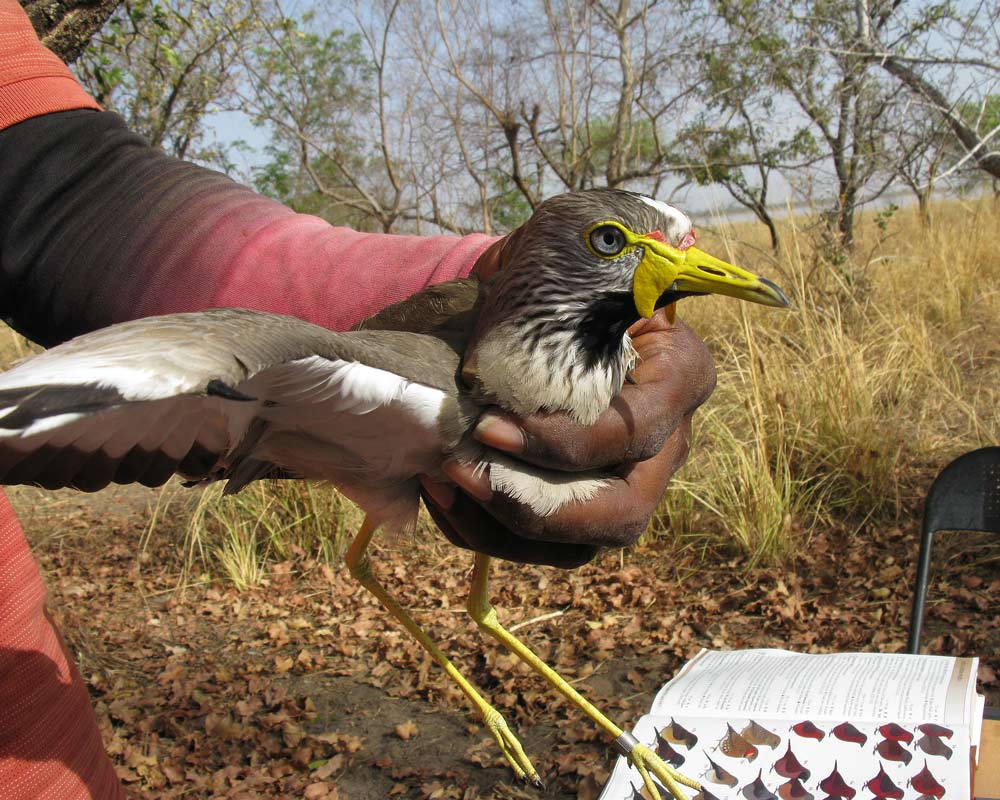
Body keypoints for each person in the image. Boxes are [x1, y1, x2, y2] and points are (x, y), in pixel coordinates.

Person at [0, 1, 716, 796]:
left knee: (486, 562)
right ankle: (561, 723)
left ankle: (596, 733)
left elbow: (60, 188)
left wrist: (512, 278)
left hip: (48, 743)